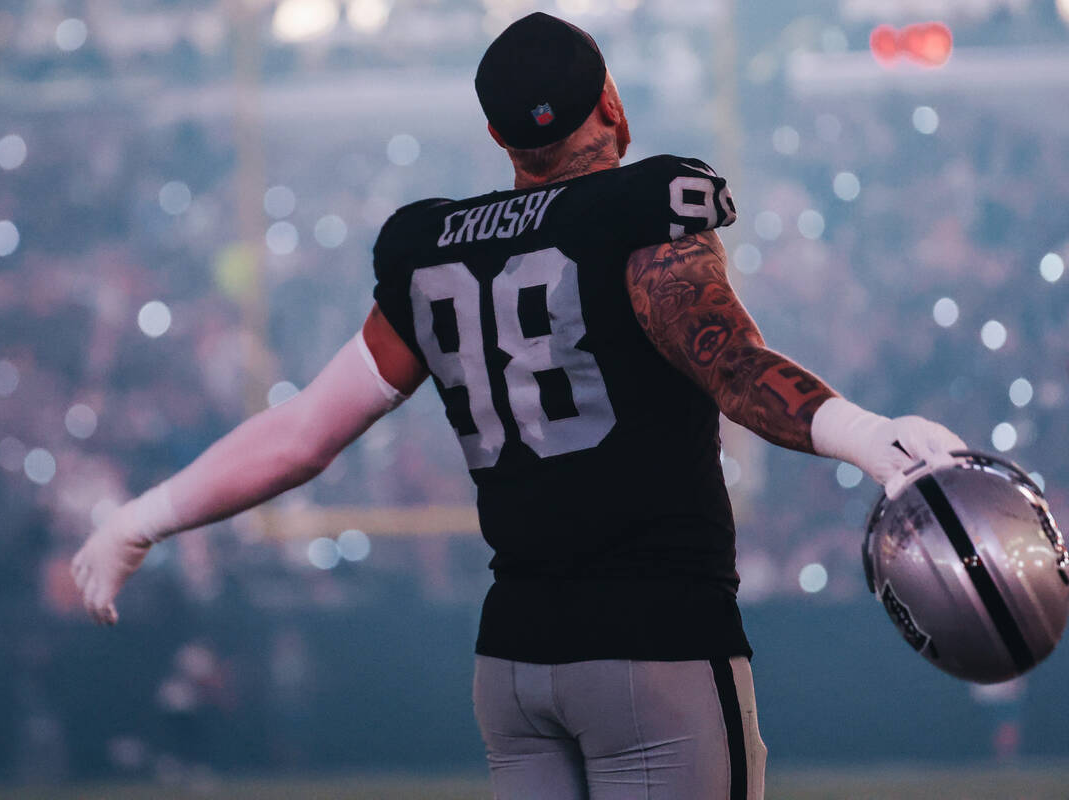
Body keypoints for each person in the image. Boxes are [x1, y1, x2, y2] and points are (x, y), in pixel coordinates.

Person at [72, 12, 966, 799]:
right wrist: (867, 434)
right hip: (655, 645)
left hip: (514, 668)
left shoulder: (431, 251)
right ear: (611, 102)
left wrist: (141, 520)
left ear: (498, 134)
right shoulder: (644, 210)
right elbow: (730, 363)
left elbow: (304, 435)